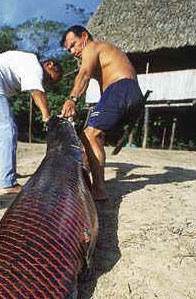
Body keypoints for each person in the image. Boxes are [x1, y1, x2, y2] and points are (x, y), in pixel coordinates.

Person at [60, 25, 144, 201]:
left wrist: (72, 99)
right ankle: (88, 179)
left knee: (89, 135)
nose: (73, 52)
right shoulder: (105, 53)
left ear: (84, 36)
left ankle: (99, 190)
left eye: (74, 44)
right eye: (69, 49)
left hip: (122, 89)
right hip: (128, 94)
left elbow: (83, 74)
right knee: (94, 135)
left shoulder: (93, 46)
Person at [0, 50, 63, 194]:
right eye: (52, 78)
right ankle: (8, 183)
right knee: (7, 133)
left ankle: (8, 173)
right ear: (49, 64)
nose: (49, 83)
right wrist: (47, 118)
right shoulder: (34, 64)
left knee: (2, 134)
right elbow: (37, 92)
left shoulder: (25, 63)